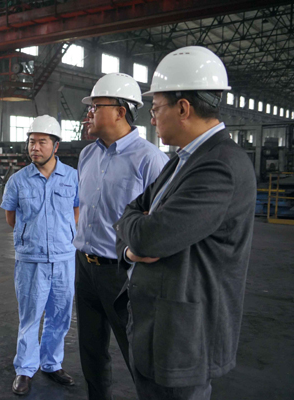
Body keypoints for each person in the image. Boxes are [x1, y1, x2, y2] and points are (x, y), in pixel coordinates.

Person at [114, 46, 257, 400]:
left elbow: (149, 236)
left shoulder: (220, 166)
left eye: (156, 109)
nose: (152, 119)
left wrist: (137, 235)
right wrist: (131, 247)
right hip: (156, 328)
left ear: (183, 108)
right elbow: (130, 213)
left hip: (184, 339)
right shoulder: (182, 161)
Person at [74, 72, 168, 400]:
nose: (88, 114)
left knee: (136, 352)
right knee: (91, 350)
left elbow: (161, 224)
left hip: (123, 273)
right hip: (84, 266)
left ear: (119, 111)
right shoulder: (87, 155)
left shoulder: (150, 160)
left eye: (95, 107)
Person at [0, 115, 79, 396]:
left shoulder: (72, 176)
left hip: (64, 258)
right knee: (30, 317)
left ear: (55, 146)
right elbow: (11, 218)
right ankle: (25, 369)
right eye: (31, 142)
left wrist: (63, 235)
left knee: (60, 315)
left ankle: (51, 363)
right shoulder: (17, 181)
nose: (35, 147)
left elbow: (77, 210)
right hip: (31, 260)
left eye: (42, 142)